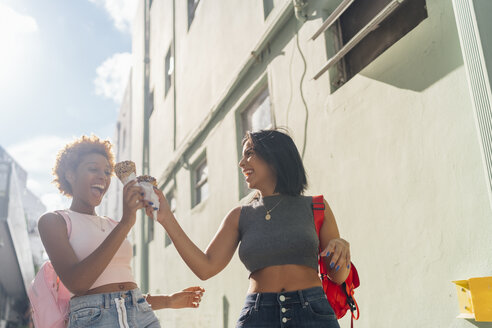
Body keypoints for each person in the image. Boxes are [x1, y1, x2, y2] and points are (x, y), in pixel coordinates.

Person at [148, 129, 351, 327]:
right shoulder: (239, 216)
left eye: (249, 153)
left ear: (275, 156)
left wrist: (340, 248)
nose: (241, 162)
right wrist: (166, 218)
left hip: (313, 312)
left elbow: (338, 276)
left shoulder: (316, 206)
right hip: (258, 315)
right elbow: (205, 267)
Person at [38, 135, 204, 328]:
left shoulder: (113, 224)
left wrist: (168, 300)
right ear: (70, 175)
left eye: (108, 172)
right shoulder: (54, 221)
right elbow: (78, 284)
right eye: (93, 169)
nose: (103, 176)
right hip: (93, 320)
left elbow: (122, 296)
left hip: (142, 316)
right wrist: (126, 222)